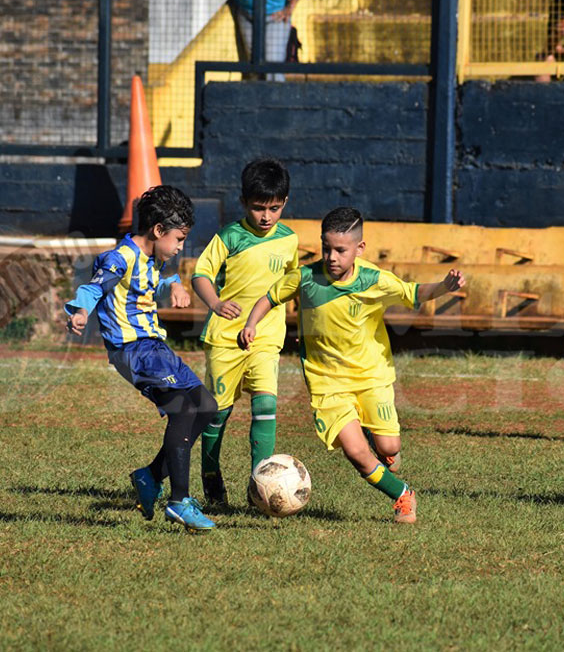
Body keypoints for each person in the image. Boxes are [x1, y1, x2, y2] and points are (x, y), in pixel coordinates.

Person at [238, 207, 466, 523]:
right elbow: (269, 297)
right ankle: (402, 496)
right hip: (327, 383)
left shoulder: (374, 280)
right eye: (326, 248)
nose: (332, 257)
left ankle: (384, 446)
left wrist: (444, 286)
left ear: (359, 249)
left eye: (341, 250)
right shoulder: (305, 277)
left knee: (389, 446)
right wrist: (251, 324)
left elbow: (414, 293)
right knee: (358, 455)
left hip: (371, 377)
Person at [65, 185, 218, 532]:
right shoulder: (120, 257)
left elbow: (151, 282)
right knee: (182, 408)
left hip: (154, 347)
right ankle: (179, 500)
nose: (180, 247)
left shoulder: (150, 258)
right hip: (133, 350)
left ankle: (149, 477)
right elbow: (94, 287)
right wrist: (80, 311)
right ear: (158, 231)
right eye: (179, 239)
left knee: (206, 406)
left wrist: (174, 285)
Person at [192, 158, 299, 506]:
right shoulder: (230, 236)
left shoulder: (290, 240)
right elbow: (201, 275)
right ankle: (210, 474)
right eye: (258, 208)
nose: (266, 216)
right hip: (226, 338)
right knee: (218, 412)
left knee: (266, 404)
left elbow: (290, 284)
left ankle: (259, 487)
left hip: (267, 338)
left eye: (274, 208)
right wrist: (216, 303)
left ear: (284, 202)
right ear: (243, 202)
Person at [231, 0, 306, 81]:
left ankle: (276, 95)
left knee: (273, 67)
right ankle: (255, 95)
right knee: (253, 66)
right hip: (246, 14)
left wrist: (290, 8)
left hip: (275, 17)